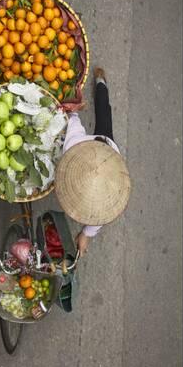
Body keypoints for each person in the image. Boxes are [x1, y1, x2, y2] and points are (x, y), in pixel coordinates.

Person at [55, 67, 131, 257]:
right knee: (103, 114)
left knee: (105, 116)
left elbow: (97, 220)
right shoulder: (75, 144)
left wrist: (85, 236)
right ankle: (100, 82)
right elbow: (72, 120)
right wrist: (72, 111)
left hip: (108, 149)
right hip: (103, 146)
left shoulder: (107, 199)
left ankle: (101, 83)